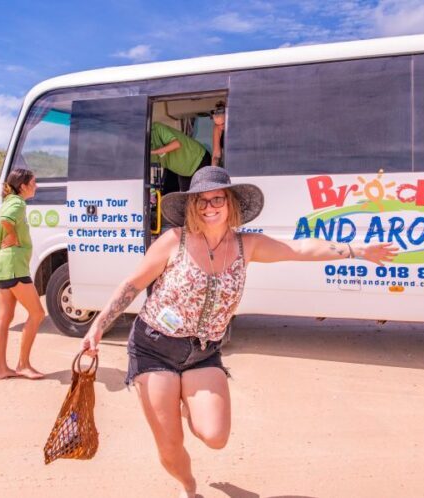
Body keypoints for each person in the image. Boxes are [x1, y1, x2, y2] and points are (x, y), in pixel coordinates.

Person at [78, 166, 397, 497]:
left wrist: (358, 250)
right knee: (170, 449)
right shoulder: (174, 241)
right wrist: (98, 325)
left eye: (217, 199)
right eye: (200, 201)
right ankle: (189, 486)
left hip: (203, 351)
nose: (209, 207)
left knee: (215, 436)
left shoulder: (249, 245)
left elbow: (299, 249)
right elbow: (133, 284)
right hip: (154, 347)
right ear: (192, 207)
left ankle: (187, 399)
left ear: (230, 204)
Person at [0, 168, 45, 380]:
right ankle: (23, 365)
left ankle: (2, 369)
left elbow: (3, 217)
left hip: (2, 265)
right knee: (37, 313)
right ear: (22, 186)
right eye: (34, 182)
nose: (36, 186)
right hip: (13, 266)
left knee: (5, 317)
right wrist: (13, 235)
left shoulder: (9, 200)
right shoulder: (17, 203)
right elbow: (6, 219)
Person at [151, 122, 211, 193]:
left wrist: (154, 152)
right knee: (186, 199)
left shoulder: (156, 128)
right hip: (183, 170)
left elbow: (176, 144)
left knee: (201, 194)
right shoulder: (141, 153)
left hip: (197, 159)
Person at [210, 101, 226, 167]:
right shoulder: (217, 128)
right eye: (217, 124)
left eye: (223, 123)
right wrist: (213, 168)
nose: (221, 127)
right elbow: (216, 154)